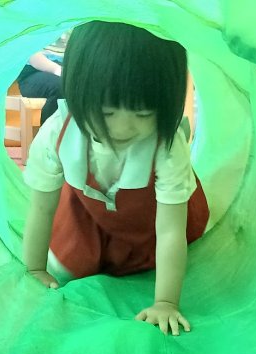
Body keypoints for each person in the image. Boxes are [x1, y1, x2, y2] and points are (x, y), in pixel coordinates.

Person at [22, 21, 210, 336]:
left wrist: (165, 302)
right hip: (90, 217)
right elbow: (42, 208)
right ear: (78, 92)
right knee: (67, 266)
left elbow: (169, 231)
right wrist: (35, 269)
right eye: (107, 113)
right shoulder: (59, 132)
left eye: (143, 114)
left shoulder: (166, 144)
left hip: (150, 222)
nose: (122, 129)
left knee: (162, 255)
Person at [16, 32, 68, 125]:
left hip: (64, 69)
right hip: (32, 72)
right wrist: (61, 71)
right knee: (61, 86)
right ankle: (51, 133)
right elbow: (33, 58)